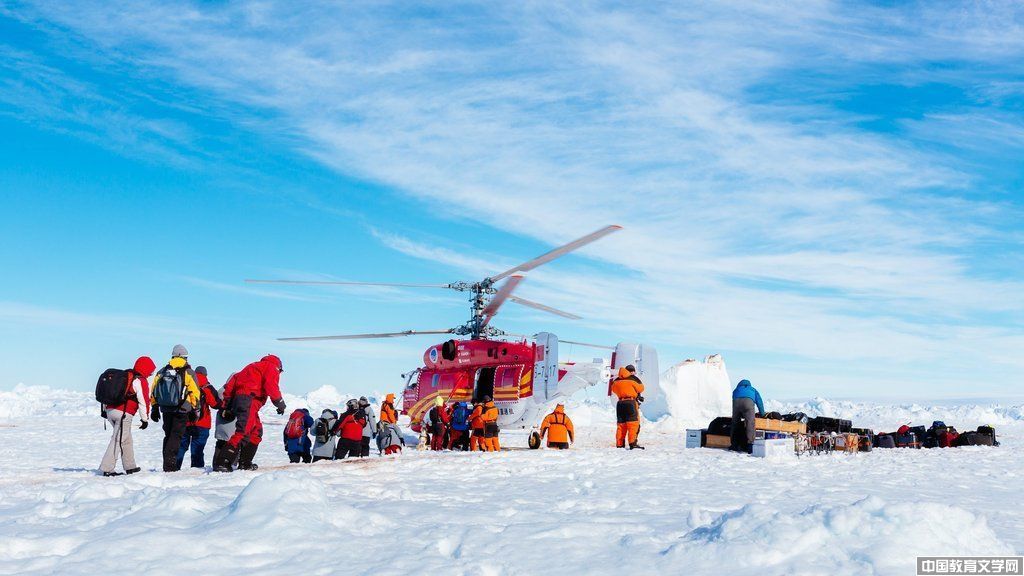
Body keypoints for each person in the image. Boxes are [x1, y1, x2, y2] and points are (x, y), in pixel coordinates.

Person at [213, 354, 286, 472]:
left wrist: (226, 406)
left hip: (242, 400)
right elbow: (271, 386)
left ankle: (245, 463)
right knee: (243, 431)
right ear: (279, 367)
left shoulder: (251, 367)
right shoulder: (271, 367)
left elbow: (231, 385)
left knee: (256, 431)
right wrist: (280, 404)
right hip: (250, 400)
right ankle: (223, 461)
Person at [99, 356, 155, 477]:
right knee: (118, 440)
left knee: (126, 439)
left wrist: (105, 410)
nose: (151, 374)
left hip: (110, 411)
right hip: (123, 414)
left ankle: (130, 466)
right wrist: (145, 419)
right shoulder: (140, 381)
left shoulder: (126, 376)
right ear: (145, 369)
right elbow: (144, 402)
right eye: (150, 371)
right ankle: (107, 468)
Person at [150, 345, 201, 472]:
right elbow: (195, 392)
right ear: (184, 357)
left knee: (168, 435)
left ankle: (167, 463)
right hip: (182, 409)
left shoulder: (162, 371)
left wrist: (154, 407)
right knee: (176, 436)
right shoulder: (188, 371)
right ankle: (170, 466)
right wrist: (195, 408)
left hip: (166, 408)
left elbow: (154, 391)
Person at [176, 366, 221, 470]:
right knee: (197, 448)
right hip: (202, 423)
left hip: (186, 422)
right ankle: (196, 470)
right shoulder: (207, 387)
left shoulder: (187, 384)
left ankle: (175, 467)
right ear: (205, 375)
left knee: (181, 446)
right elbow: (215, 404)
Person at [609, 365, 644, 450]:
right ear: (630, 371)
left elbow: (613, 389)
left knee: (621, 425)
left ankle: (620, 444)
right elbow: (641, 388)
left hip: (620, 404)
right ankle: (633, 443)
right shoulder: (633, 379)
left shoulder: (616, 380)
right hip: (631, 403)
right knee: (633, 424)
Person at [730, 379, 764, 453]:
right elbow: (759, 402)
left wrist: (740, 413)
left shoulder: (736, 390)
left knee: (735, 423)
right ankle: (750, 445)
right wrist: (762, 414)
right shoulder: (752, 389)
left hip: (736, 403)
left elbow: (734, 401)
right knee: (750, 423)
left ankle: (734, 445)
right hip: (748, 403)